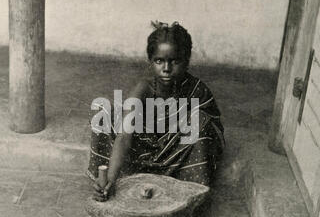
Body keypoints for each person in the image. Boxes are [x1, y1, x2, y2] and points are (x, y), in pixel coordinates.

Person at [87, 21, 225, 202]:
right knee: (107, 117)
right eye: (159, 61)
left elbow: (213, 131)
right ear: (150, 62)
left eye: (174, 61)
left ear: (187, 61)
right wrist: (111, 177)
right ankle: (112, 178)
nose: (166, 69)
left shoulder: (197, 90)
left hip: (178, 150)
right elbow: (124, 136)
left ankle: (187, 186)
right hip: (145, 147)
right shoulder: (144, 88)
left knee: (201, 123)